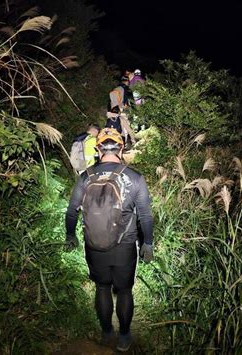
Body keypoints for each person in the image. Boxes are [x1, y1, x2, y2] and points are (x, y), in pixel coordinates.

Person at [65, 128, 154, 352]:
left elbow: (71, 211)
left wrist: (70, 235)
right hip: (124, 246)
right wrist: (148, 243)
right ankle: (124, 337)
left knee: (102, 288)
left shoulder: (86, 177)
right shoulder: (135, 177)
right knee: (124, 291)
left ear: (98, 149)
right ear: (121, 147)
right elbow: (145, 215)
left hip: (94, 245)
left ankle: (106, 333)